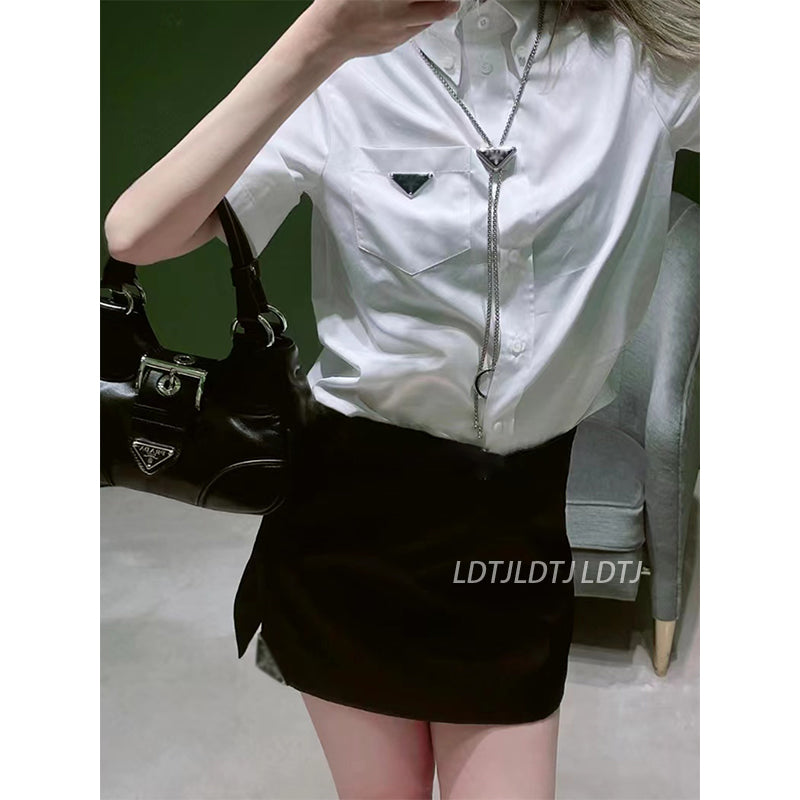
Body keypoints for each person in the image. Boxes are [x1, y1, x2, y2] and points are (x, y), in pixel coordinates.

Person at [104, 1, 699, 797]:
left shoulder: (645, 60)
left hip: (513, 532)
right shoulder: (342, 63)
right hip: (347, 524)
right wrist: (318, 40)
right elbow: (138, 233)